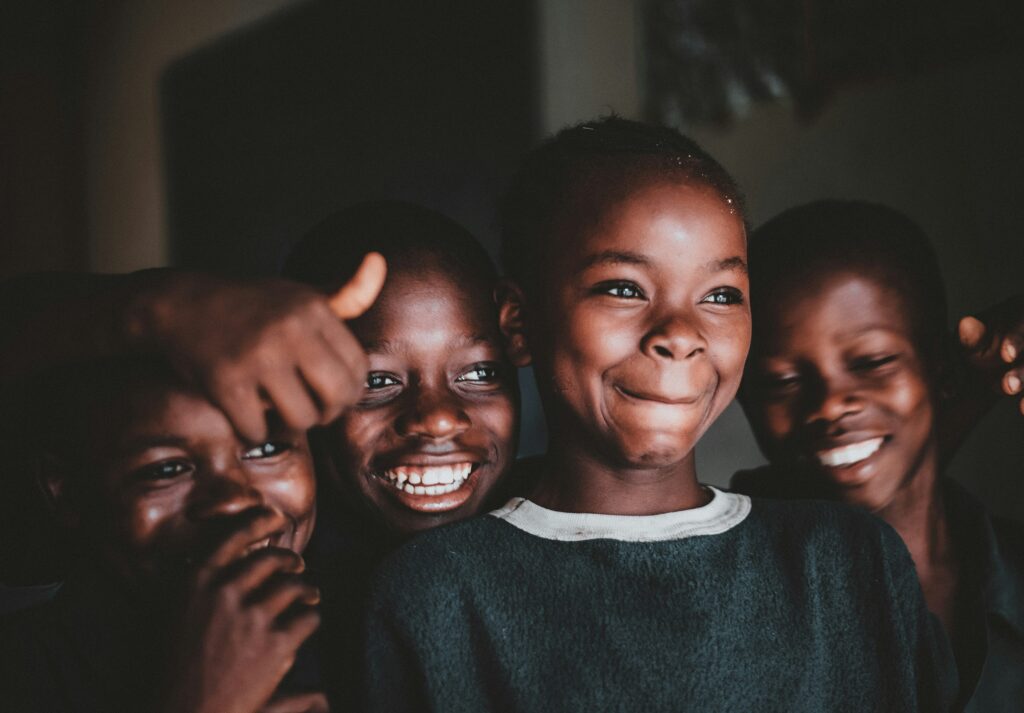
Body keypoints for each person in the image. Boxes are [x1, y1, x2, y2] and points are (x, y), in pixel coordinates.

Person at [360, 118, 957, 712]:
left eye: (721, 295)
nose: (680, 334)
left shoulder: (849, 562)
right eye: (624, 287)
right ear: (520, 323)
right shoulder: (434, 594)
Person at [733, 200, 1024, 711]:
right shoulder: (730, 587)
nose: (829, 405)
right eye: (783, 382)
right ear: (744, 401)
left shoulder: (1011, 570)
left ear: (939, 366)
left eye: (873, 362)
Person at [280, 201, 520, 709]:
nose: (436, 418)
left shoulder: (549, 567)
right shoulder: (263, 626)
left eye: (479, 374)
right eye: (377, 381)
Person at [0, 358, 328, 713]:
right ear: (66, 491)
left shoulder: (366, 615)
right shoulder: (21, 676)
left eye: (267, 449)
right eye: (166, 469)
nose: (233, 501)